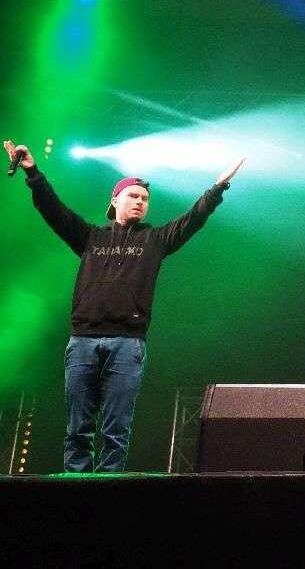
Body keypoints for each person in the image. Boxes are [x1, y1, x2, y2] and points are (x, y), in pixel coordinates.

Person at [4, 139, 244, 472]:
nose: (140, 202)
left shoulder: (155, 240)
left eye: (145, 199)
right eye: (133, 196)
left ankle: (109, 488)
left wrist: (217, 187)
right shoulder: (91, 237)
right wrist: (33, 172)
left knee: (116, 429)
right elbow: (53, 210)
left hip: (127, 343)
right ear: (115, 200)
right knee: (77, 429)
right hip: (83, 341)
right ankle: (74, 488)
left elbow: (193, 219)